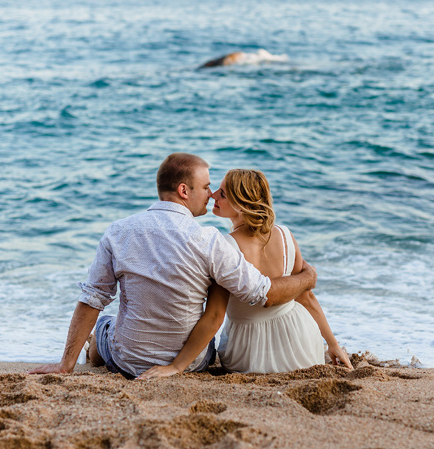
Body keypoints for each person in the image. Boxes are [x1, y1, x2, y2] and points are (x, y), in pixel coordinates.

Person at [29, 153, 318, 378]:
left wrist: (65, 365)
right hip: (193, 363)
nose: (211, 194)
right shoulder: (210, 240)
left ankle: (94, 349)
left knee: (106, 322)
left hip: (128, 362)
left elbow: (92, 298)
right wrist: (307, 277)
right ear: (183, 190)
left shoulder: (118, 231)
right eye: (206, 187)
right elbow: (262, 292)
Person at [138, 169, 351, 378]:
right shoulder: (286, 235)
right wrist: (332, 345)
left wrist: (177, 366)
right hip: (301, 343)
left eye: (222, 193)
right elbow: (306, 296)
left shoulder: (226, 245)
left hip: (250, 352)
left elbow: (214, 316)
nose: (212, 195)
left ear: (240, 205)